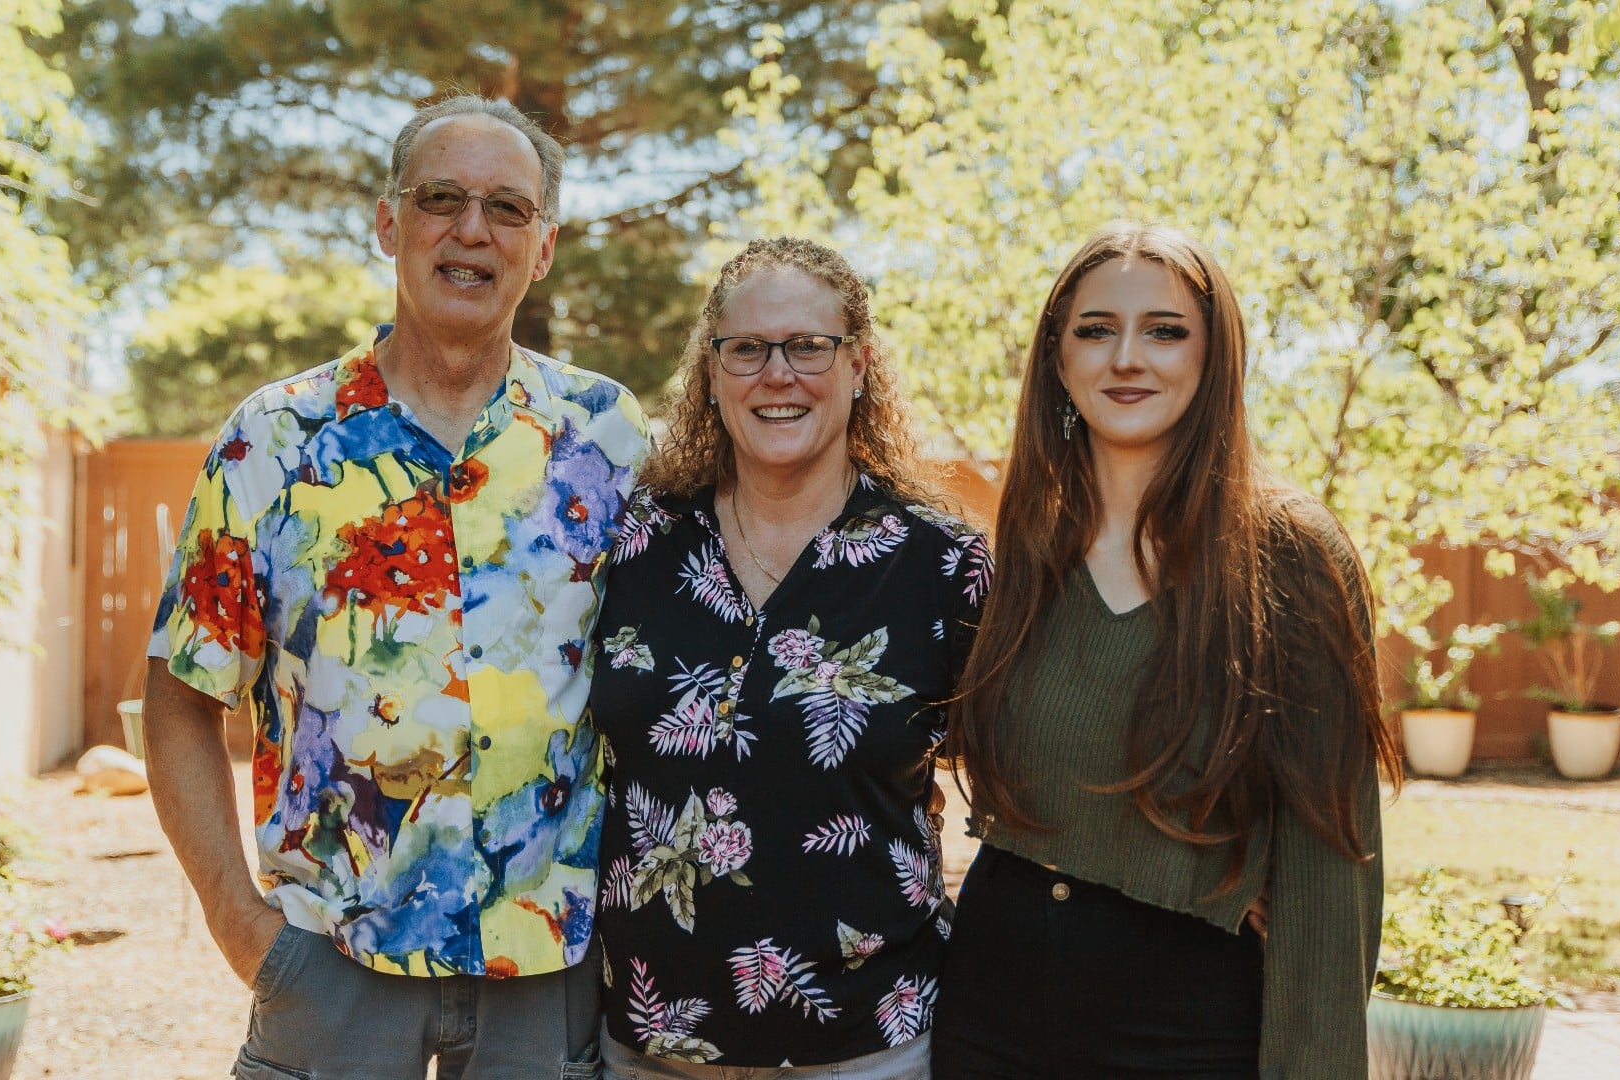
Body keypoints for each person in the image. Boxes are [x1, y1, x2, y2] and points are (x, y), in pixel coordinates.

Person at [143, 93, 650, 1079]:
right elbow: (179, 700)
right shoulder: (275, 440)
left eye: (508, 208)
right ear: (388, 222)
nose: (472, 230)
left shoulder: (608, 436)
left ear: (543, 247)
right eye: (441, 199)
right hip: (331, 971)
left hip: (544, 976)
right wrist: (240, 922)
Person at [931, 223, 1401, 1079]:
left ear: (1214, 357)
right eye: (1096, 329)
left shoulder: (1289, 556)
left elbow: (1332, 870)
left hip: (1187, 1022)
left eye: (1166, 330)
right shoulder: (1016, 555)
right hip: (989, 1008)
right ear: (1058, 360)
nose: (1127, 359)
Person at [588, 237, 989, 1079]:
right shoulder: (634, 541)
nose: (779, 373)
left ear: (859, 365)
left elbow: (1020, 789)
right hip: (651, 1045)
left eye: (809, 346)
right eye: (747, 349)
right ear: (711, 371)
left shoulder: (941, 563)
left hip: (868, 1048)